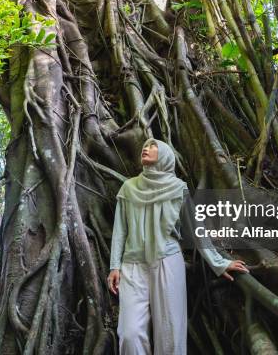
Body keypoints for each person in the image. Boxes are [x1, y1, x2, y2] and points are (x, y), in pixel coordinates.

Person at [107, 138, 249, 355]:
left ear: (165, 155)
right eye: (145, 145)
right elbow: (120, 231)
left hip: (168, 262)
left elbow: (195, 230)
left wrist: (219, 263)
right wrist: (114, 266)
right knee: (129, 333)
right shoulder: (128, 188)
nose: (147, 148)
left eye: (153, 146)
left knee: (171, 333)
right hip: (133, 266)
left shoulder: (178, 188)